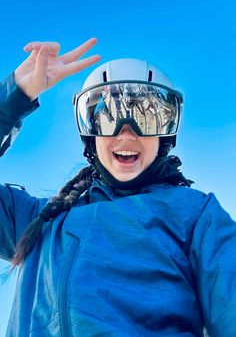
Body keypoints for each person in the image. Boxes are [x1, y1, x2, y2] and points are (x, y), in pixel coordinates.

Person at [0, 38, 235, 337]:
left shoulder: (195, 215)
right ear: (90, 134)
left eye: (146, 117)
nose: (126, 134)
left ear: (165, 133)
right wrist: (13, 97)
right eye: (107, 118)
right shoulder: (41, 221)